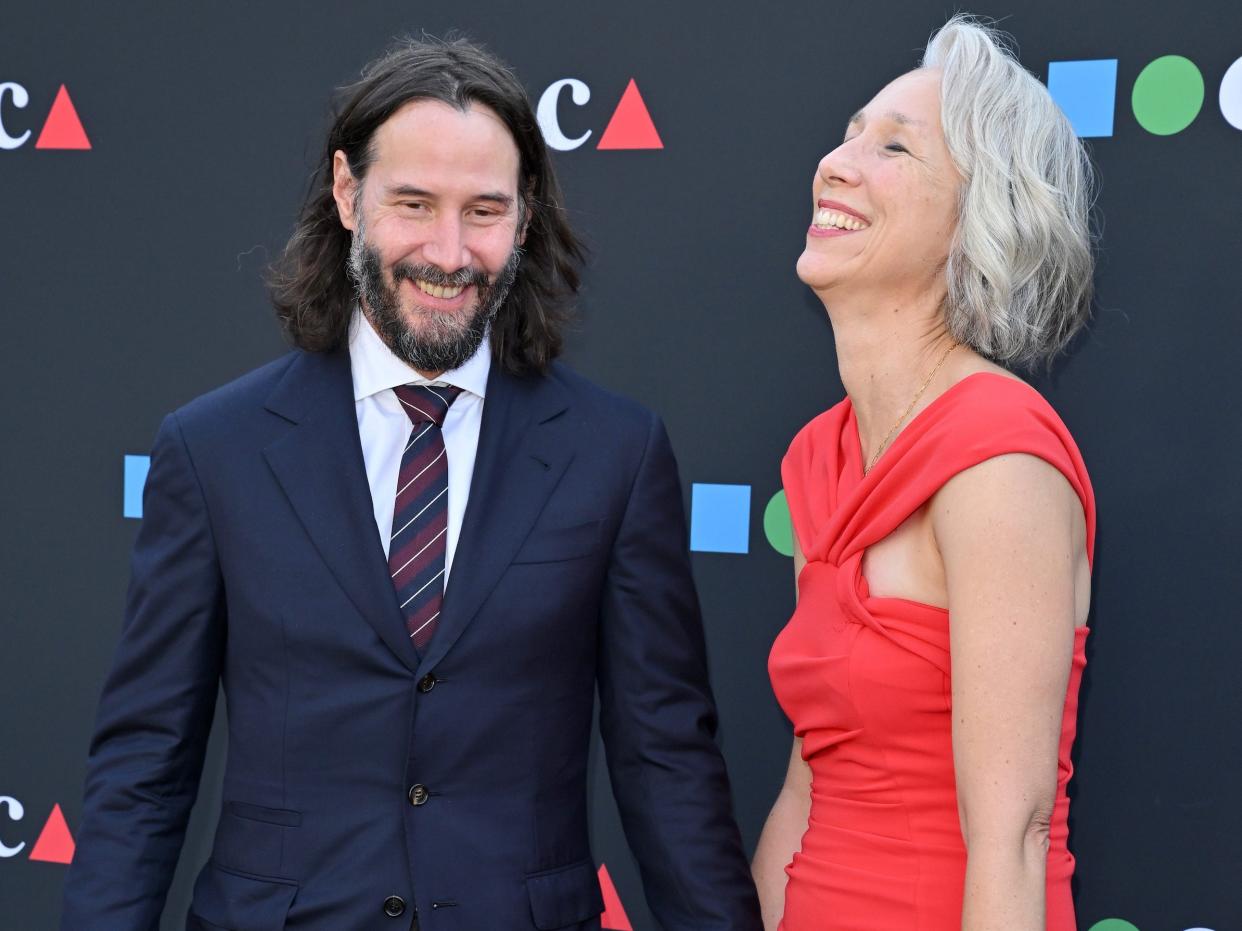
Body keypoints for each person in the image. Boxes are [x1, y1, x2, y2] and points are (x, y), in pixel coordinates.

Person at [62, 37, 762, 931]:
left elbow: (666, 762)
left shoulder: (613, 453)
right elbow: (146, 767)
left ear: (526, 216)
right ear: (348, 194)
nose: (449, 251)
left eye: (484, 210)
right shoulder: (215, 450)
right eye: (414, 204)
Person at [752, 15, 1096, 931]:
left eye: (894, 147)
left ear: (978, 217)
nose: (837, 161)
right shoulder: (818, 459)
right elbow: (806, 788)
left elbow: (1012, 837)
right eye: (851, 131)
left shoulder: (999, 456)